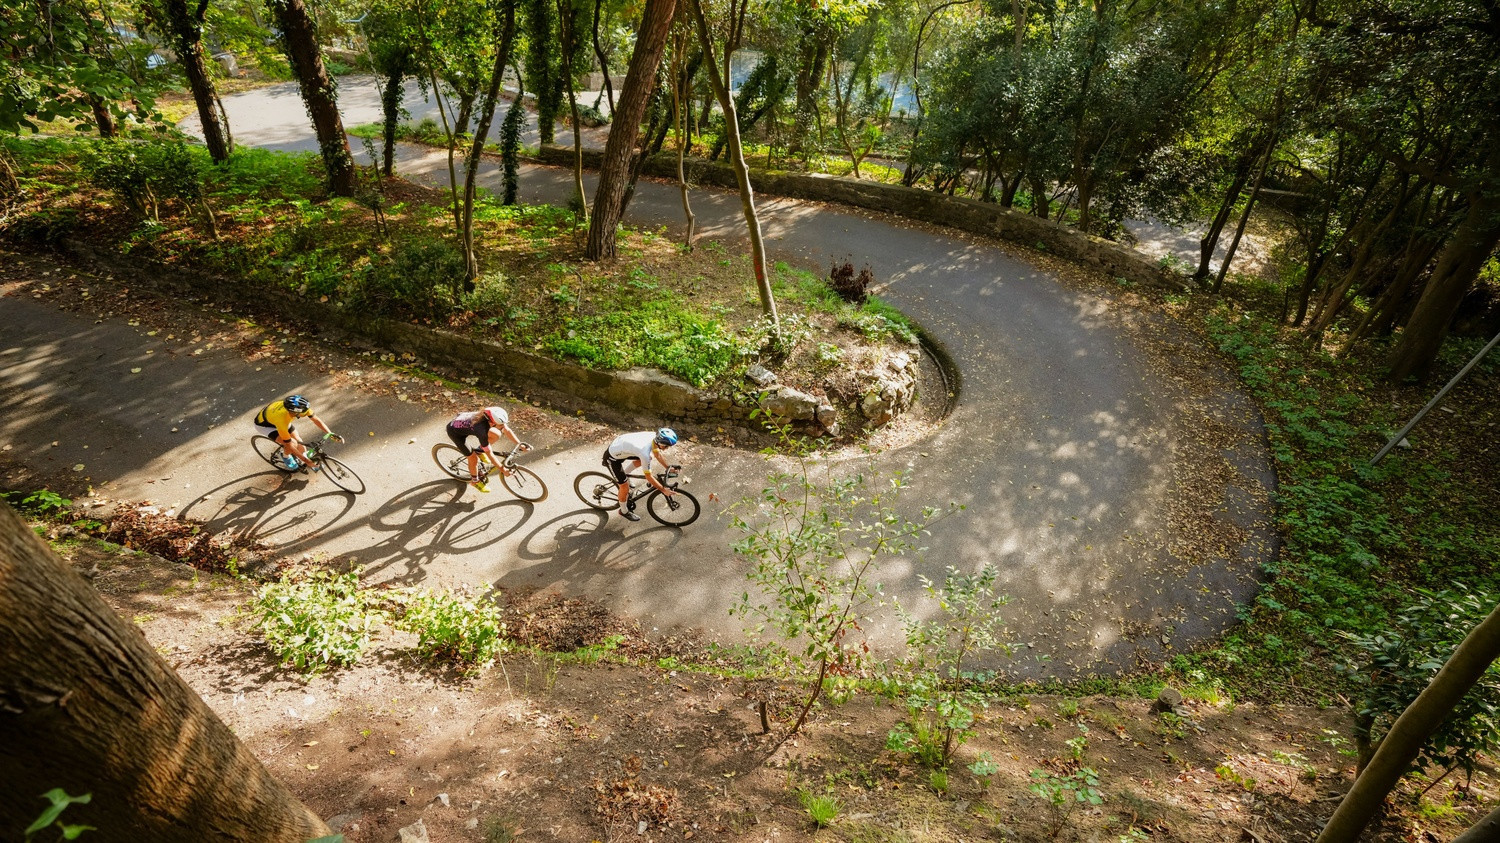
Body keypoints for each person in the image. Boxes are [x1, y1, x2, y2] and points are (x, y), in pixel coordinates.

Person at [603, 428, 678, 521]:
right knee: (624, 487)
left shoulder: (654, 437)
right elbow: (648, 476)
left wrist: (667, 467)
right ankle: (623, 511)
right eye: (666, 446)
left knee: (649, 458)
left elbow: (657, 454)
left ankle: (625, 474)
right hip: (612, 458)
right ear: (660, 442)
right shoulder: (644, 452)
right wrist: (663, 489)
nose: (667, 448)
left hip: (621, 447)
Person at [447, 406, 526, 493]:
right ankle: (475, 481)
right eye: (501, 425)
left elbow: (507, 430)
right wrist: (503, 470)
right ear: (492, 422)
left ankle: (479, 451)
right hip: (455, 433)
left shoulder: (489, 419)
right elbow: (490, 454)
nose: (503, 426)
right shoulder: (481, 431)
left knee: (497, 434)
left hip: (466, 425)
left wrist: (519, 444)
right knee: (473, 458)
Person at [254, 394, 341, 471]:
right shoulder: (281, 419)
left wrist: (330, 433)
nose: (305, 414)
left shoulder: (300, 408)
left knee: (300, 444)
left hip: (275, 417)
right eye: (302, 414)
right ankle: (285, 456)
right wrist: (307, 461)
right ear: (294, 412)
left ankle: (300, 459)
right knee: (292, 443)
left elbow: (316, 420)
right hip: (265, 426)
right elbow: (290, 445)